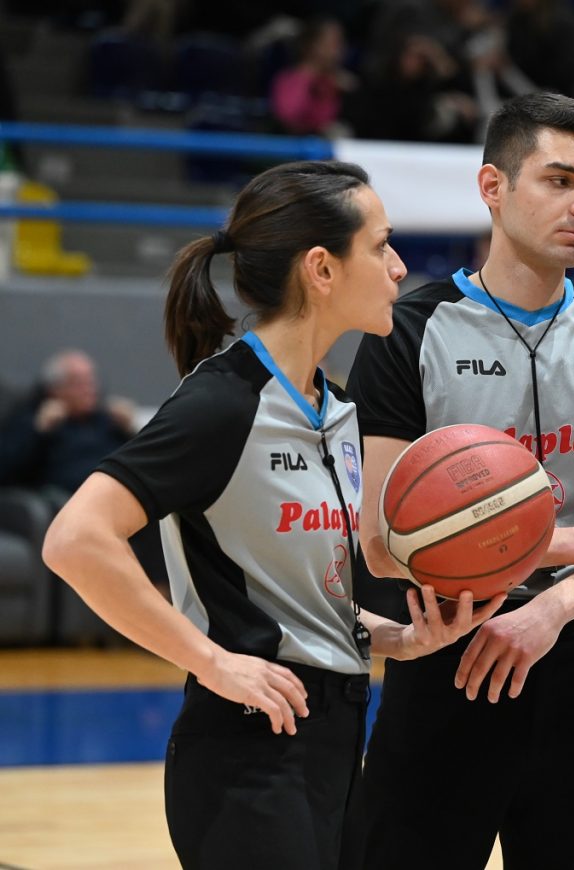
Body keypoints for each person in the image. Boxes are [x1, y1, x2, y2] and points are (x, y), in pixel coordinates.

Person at [41, 160, 505, 869]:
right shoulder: (222, 403)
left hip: (337, 737)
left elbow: (293, 592)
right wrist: (212, 662)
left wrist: (396, 638)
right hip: (245, 751)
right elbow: (74, 541)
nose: (399, 266)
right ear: (321, 269)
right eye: (381, 246)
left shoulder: (339, 409)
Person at [346, 92, 574, 869]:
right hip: (447, 651)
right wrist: (571, 545)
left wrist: (559, 608)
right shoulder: (408, 331)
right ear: (492, 188)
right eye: (559, 180)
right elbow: (378, 543)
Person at [0, 349, 137, 502]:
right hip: (65, 500)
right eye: (78, 383)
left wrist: (130, 431)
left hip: (113, 494)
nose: (88, 389)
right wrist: (38, 431)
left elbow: (136, 463)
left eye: (91, 381)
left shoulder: (108, 420)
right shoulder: (33, 419)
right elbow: (7, 471)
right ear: (54, 389)